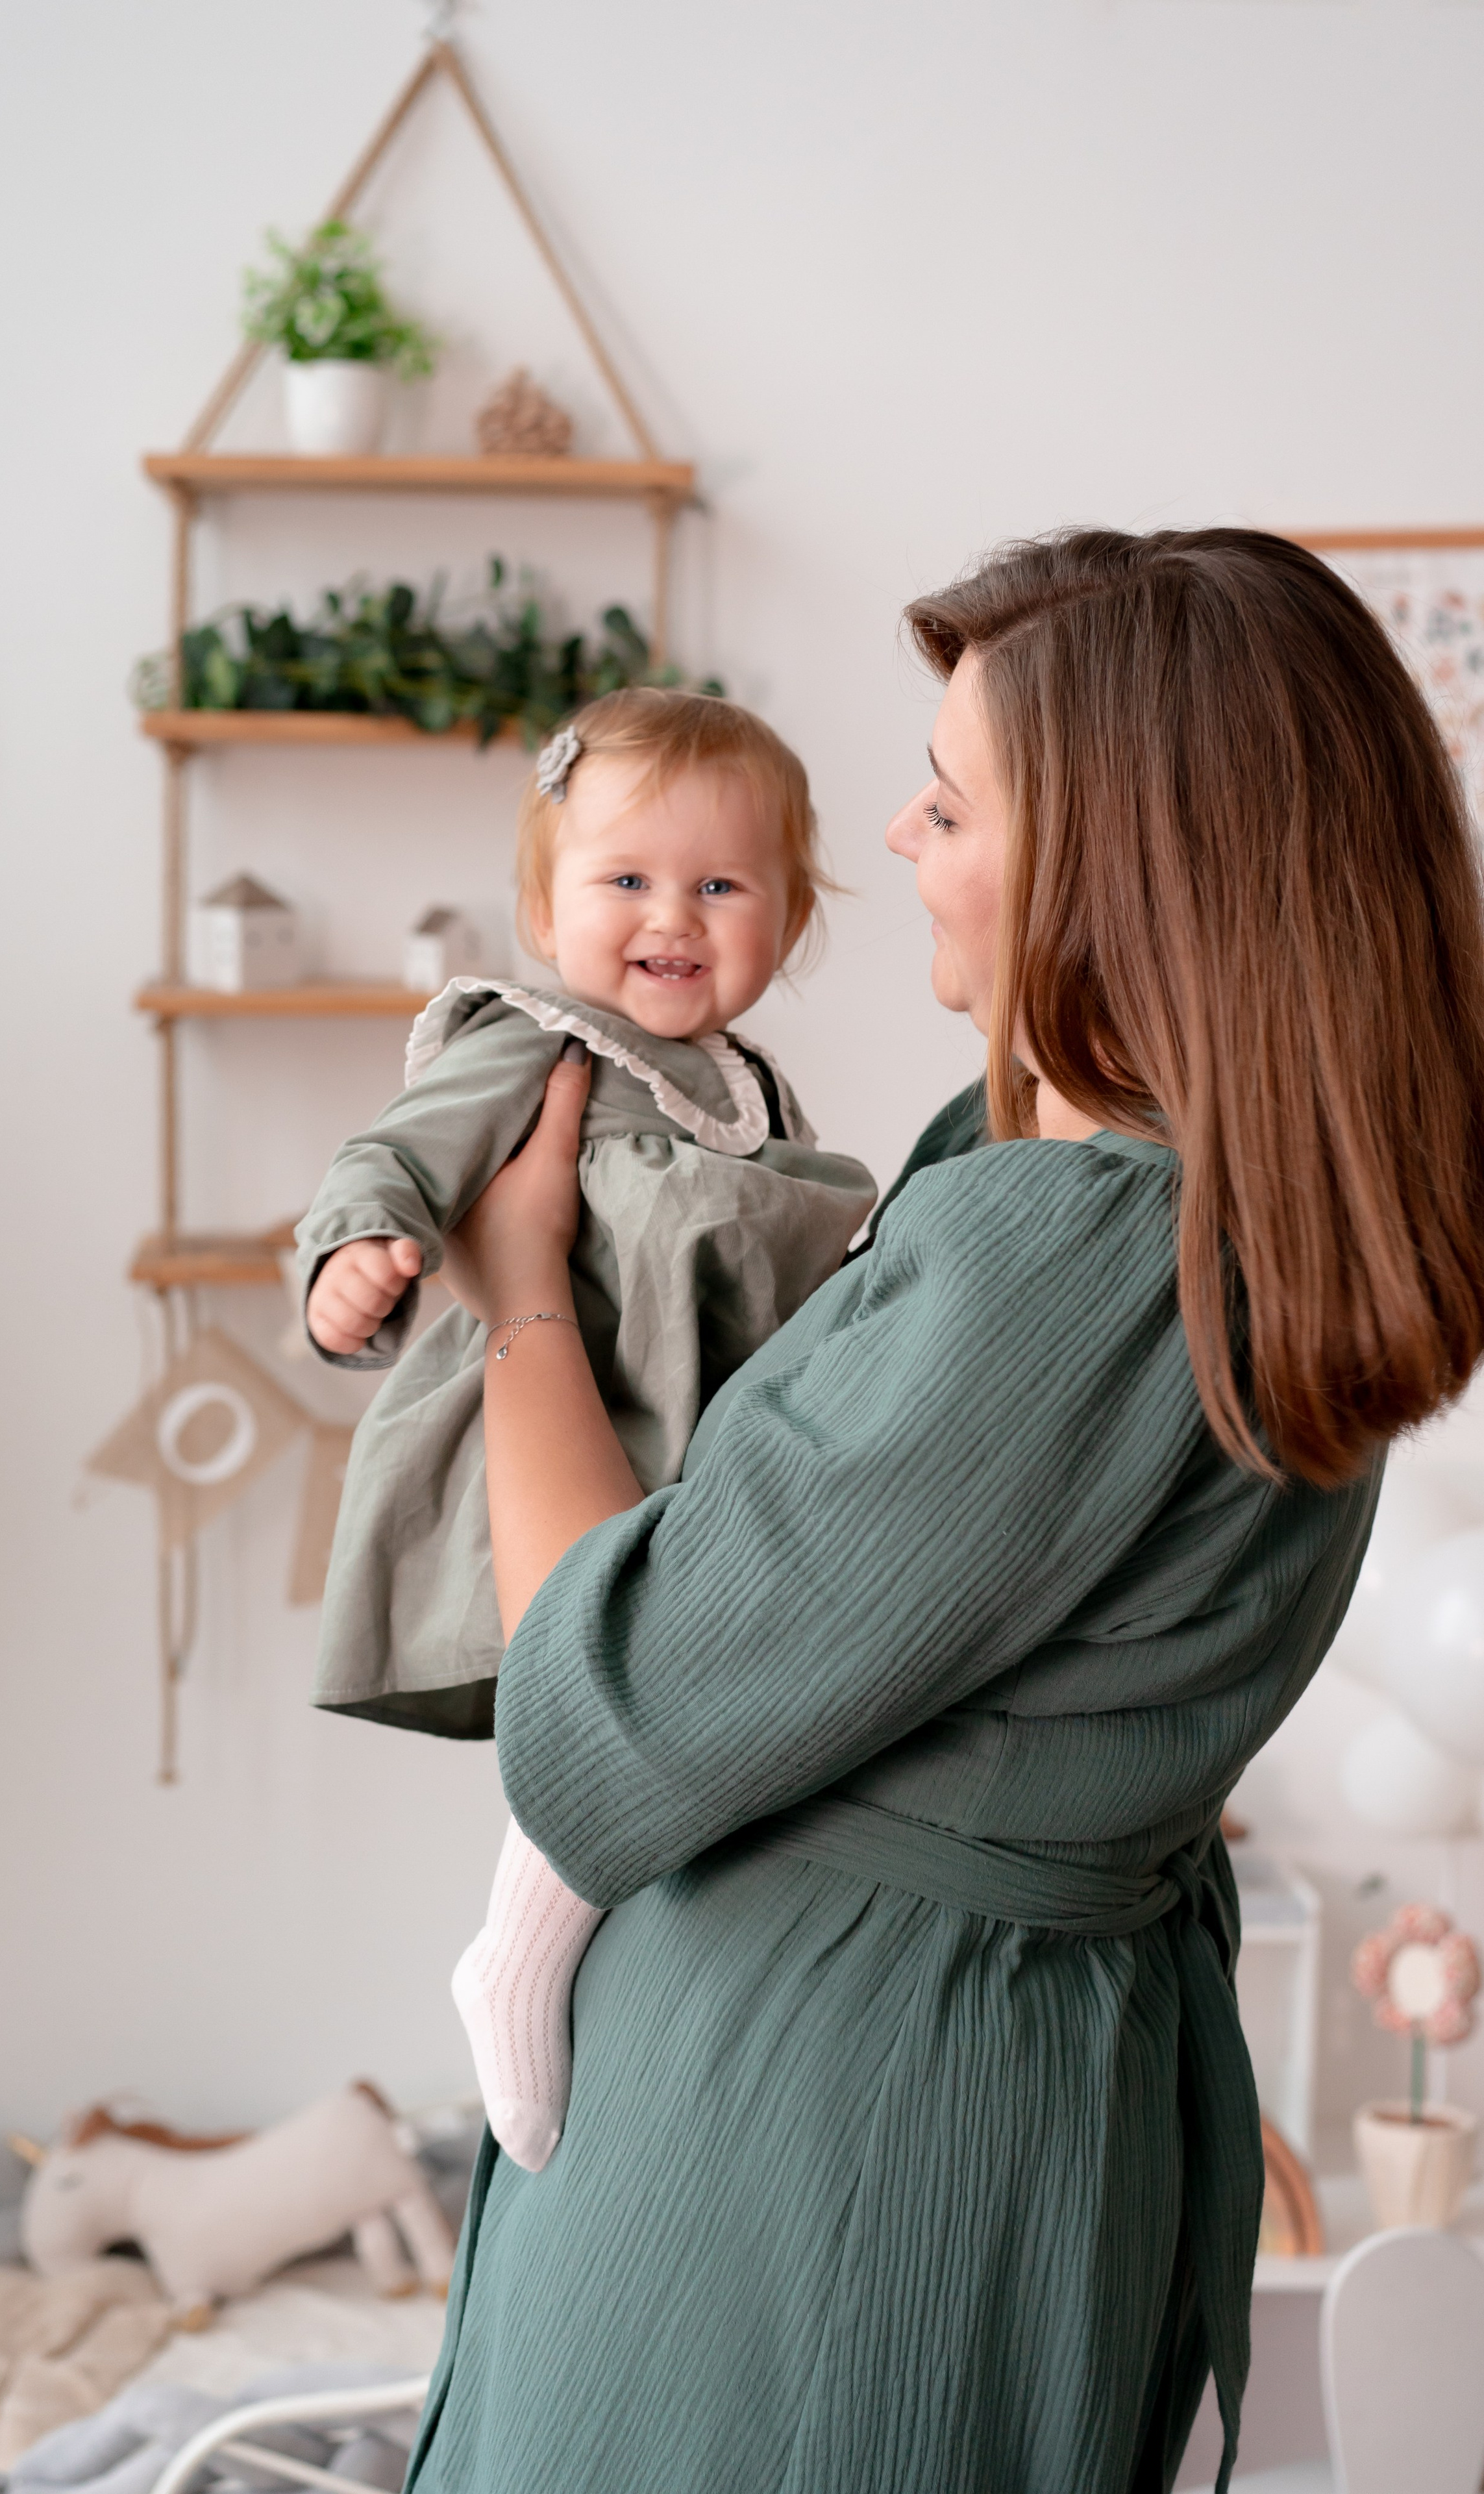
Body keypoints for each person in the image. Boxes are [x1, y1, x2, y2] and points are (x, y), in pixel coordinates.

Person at [399, 529, 1484, 2494]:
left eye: (953, 796)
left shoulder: (1074, 1251)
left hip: (834, 2130)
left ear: (1120, 871)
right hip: (971, 2077)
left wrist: (524, 1293)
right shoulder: (1211, 1205)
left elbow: (593, 1717)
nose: (895, 829)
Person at [297, 688, 876, 2170]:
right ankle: (511, 1946)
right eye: (622, 879)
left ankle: (606, 1983)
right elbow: (394, 1157)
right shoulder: (536, 1042)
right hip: (576, 1450)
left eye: (719, 884)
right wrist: (357, 1258)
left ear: (789, 917)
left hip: (704, 1480)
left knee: (695, 1744)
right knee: (605, 1705)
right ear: (542, 905)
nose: (667, 916)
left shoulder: (747, 1093)